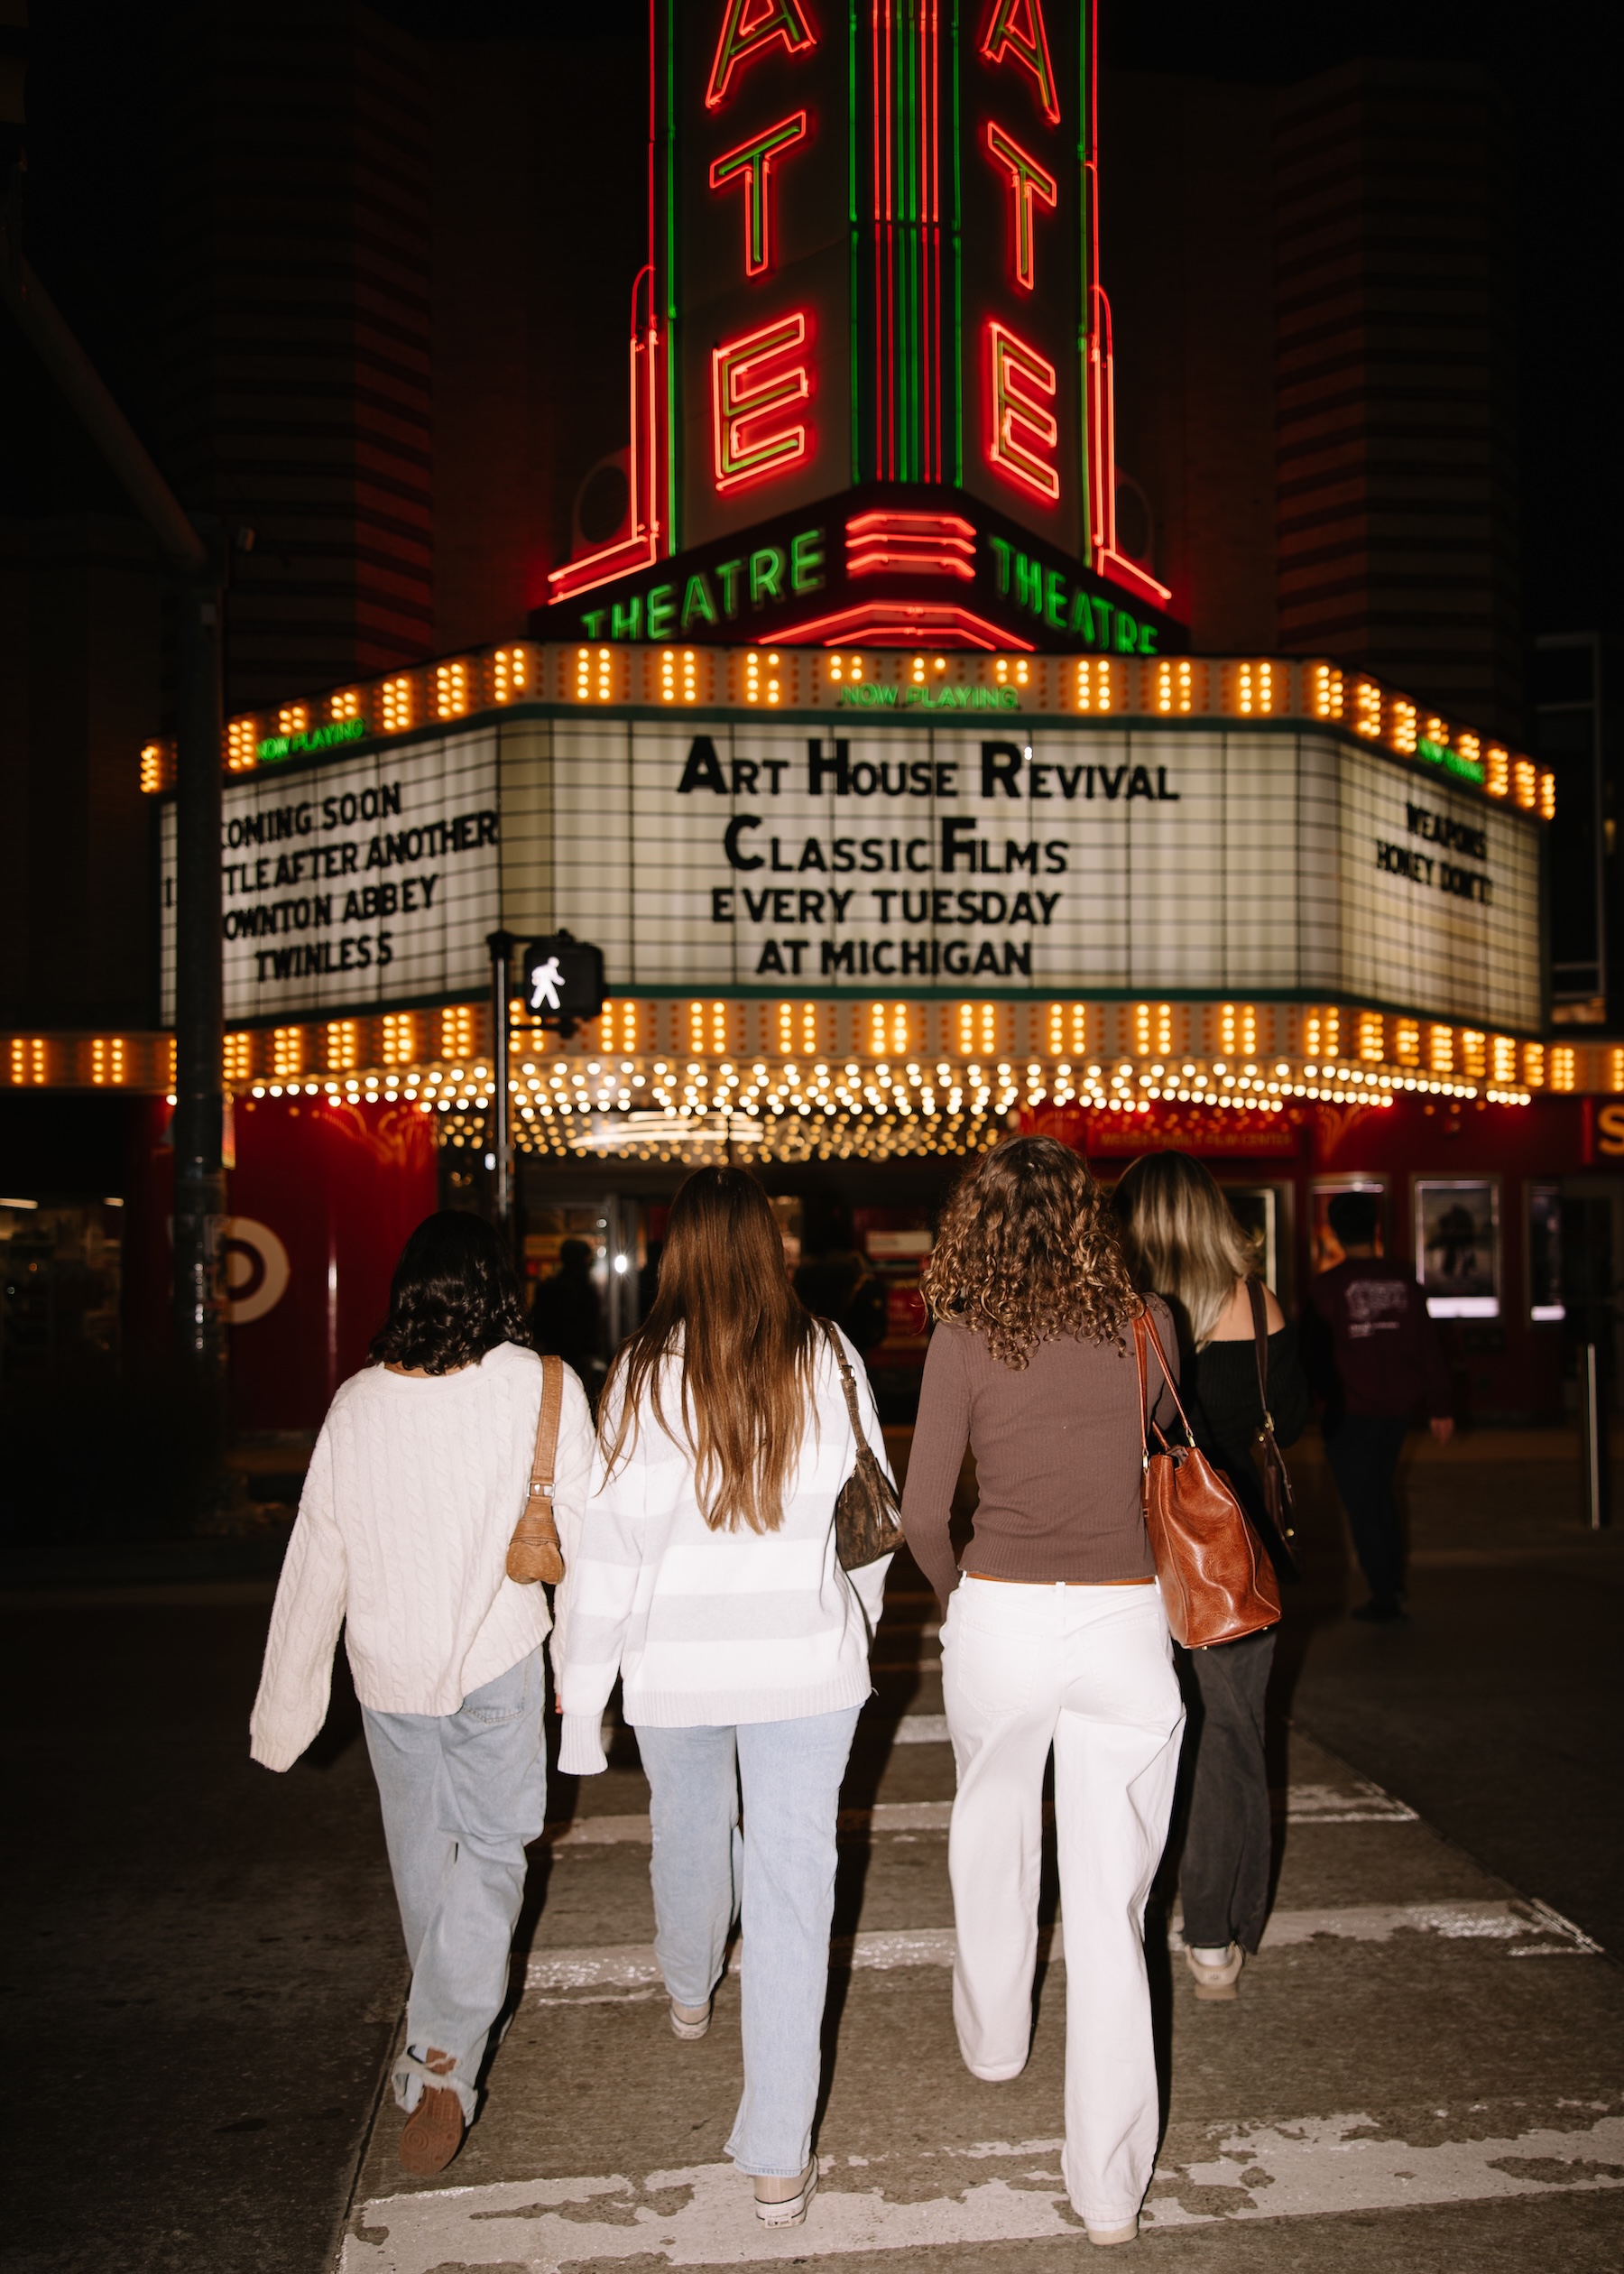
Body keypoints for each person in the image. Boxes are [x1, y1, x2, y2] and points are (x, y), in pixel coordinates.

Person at [554, 1166, 892, 2231]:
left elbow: (601, 1561)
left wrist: (580, 1704)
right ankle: (778, 2160)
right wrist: (856, 1629)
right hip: (806, 1666)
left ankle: (692, 1982)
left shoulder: (641, 1378)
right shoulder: (830, 1356)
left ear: (677, 1254)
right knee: (797, 1893)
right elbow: (870, 1524)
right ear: (770, 1250)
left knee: (689, 1832)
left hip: (677, 1672)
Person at [249, 1211, 595, 2174]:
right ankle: (444, 2051)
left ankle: (436, 2043)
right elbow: (597, 1537)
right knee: (493, 1851)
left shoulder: (358, 1402)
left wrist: (286, 1706)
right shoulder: (539, 1386)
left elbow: (318, 1552)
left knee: (423, 1859)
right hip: (500, 1657)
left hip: (390, 1673)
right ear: (497, 1287)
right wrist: (591, 1670)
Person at [900, 1136, 1186, 2249]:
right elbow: (1167, 1465)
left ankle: (995, 2041)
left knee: (992, 1829)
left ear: (978, 1224)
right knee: (1114, 1908)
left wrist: (958, 1592)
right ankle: (1109, 2191)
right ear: (1088, 1221)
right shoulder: (1145, 1324)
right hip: (1123, 1618)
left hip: (1001, 1616)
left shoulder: (963, 1338)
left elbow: (925, 1514)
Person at [1112, 1151, 1309, 2004]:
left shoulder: (1121, 1316)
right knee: (1231, 1736)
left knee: (1137, 1737)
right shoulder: (1258, 1305)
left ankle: (1127, 1916)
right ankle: (1213, 1941)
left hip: (1136, 1556)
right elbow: (1293, 1420)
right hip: (1236, 1559)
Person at [1308, 1188, 1454, 1621]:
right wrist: (1440, 1405)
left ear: (1335, 1232)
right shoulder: (1404, 1281)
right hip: (1397, 1412)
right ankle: (1389, 1580)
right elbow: (1430, 1347)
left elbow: (1312, 1357)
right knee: (1382, 1492)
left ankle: (1383, 1594)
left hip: (1349, 1411)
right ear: (1375, 1229)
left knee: (1362, 1502)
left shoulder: (1328, 1286)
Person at [532, 1236, 604, 1391]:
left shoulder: (551, 1287)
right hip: (574, 1358)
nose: (589, 1263)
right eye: (587, 1258)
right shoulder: (578, 1288)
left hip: (557, 1358)